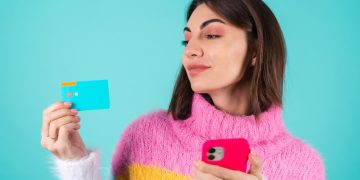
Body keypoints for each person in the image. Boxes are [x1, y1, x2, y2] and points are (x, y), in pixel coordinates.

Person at [40, 0, 325, 179]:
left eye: (211, 35)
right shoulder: (145, 135)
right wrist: (75, 164)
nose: (190, 52)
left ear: (256, 50)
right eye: (186, 41)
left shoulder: (303, 167)